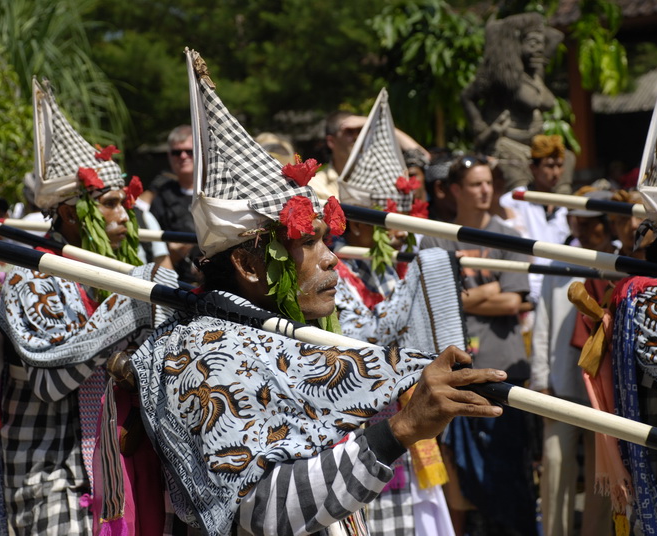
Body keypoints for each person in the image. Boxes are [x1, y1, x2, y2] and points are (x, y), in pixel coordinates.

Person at [127, 50, 506, 536]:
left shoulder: (291, 337)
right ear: (246, 263)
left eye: (326, 240)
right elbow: (260, 508)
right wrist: (400, 430)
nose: (332, 258)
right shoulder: (206, 354)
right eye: (308, 243)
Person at [0, 78, 178, 535]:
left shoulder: (125, 272)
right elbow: (50, 378)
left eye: (127, 204)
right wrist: (134, 302)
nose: (124, 215)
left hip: (123, 461)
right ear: (73, 211)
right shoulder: (27, 277)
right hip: (53, 472)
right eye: (112, 203)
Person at [333, 88, 457, 536]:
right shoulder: (335, 271)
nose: (403, 236)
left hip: (410, 410)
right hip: (363, 425)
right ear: (361, 223)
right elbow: (363, 335)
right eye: (392, 225)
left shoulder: (394, 263)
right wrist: (416, 276)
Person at [421, 155, 536, 536]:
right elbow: (432, 300)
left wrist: (461, 295)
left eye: (489, 182)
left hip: (508, 369)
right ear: (455, 190)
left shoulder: (509, 235)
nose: (485, 190)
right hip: (457, 374)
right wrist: (493, 289)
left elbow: (515, 300)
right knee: (465, 478)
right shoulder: (436, 237)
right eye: (475, 184)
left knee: (511, 471)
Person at [531, 190, 615, 536]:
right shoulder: (558, 261)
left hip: (604, 387)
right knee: (555, 465)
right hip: (562, 383)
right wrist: (540, 381)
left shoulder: (619, 259)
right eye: (580, 219)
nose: (586, 227)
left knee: (603, 477)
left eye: (593, 221)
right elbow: (543, 321)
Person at [461, 12, 573, 193]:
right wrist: (481, 128)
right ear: (516, 45)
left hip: (536, 143)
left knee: (564, 162)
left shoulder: (535, 71)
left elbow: (556, 36)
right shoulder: (499, 75)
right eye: (533, 44)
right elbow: (467, 96)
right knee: (520, 189)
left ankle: (561, 215)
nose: (540, 49)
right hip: (508, 146)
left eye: (541, 44)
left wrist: (530, 23)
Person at [499, 134, 571, 304]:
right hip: (526, 290)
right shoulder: (513, 200)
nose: (555, 172)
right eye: (549, 166)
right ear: (533, 168)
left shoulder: (564, 206)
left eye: (559, 166)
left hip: (560, 289)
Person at [149, 124, 201, 283]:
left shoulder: (218, 190)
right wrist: (176, 252)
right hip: (181, 286)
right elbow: (153, 258)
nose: (183, 156)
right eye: (177, 152)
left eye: (189, 151)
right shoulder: (160, 199)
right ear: (169, 156)